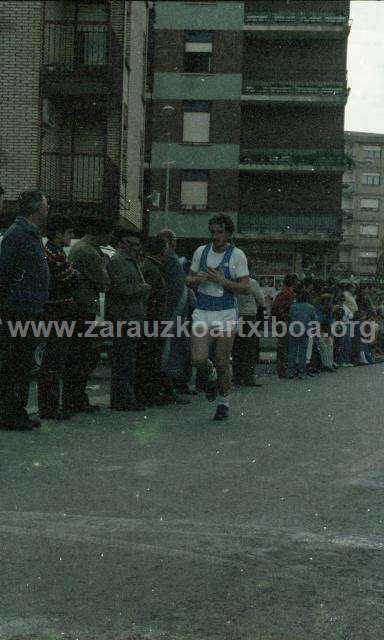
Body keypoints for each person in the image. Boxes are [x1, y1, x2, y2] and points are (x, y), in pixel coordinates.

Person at [187, 214, 250, 421]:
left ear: (228, 234)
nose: (215, 236)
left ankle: (224, 402)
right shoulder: (200, 251)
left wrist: (222, 280)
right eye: (213, 232)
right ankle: (211, 375)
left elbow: (245, 288)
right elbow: (188, 279)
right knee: (198, 360)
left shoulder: (237, 255)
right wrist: (197, 279)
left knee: (222, 360)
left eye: (220, 232)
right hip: (203, 311)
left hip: (225, 313)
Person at [0, 189, 49, 430]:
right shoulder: (17, 234)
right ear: (37, 209)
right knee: (15, 365)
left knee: (23, 364)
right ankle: (11, 415)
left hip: (29, 310)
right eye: (45, 206)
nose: (47, 211)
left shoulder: (31, 234)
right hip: (18, 311)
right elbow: (4, 273)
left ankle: (16, 412)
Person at [62, 218, 111, 414]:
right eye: (109, 234)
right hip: (84, 309)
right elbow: (105, 283)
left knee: (78, 357)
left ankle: (75, 399)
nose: (110, 238)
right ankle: (76, 400)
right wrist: (105, 266)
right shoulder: (89, 252)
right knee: (84, 357)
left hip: (78, 307)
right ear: (100, 233)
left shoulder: (80, 247)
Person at [37, 214, 78, 420]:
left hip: (56, 311)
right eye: (69, 232)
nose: (72, 236)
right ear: (58, 234)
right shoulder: (54, 254)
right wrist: (73, 274)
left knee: (53, 360)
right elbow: (70, 277)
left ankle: (50, 405)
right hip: (58, 312)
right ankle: (50, 407)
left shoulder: (55, 252)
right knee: (54, 360)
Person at [105, 228, 150, 411]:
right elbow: (119, 288)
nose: (138, 248)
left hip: (132, 317)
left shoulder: (129, 261)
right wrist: (142, 288)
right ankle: (123, 400)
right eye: (135, 244)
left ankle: (123, 398)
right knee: (124, 361)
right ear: (124, 243)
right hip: (124, 318)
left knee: (127, 360)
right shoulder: (118, 261)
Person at [157, 229, 191, 404]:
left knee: (174, 351)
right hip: (172, 315)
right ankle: (168, 390)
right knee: (169, 353)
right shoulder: (169, 258)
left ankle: (172, 388)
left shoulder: (170, 259)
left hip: (176, 314)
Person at [135, 236, 170, 405]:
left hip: (151, 321)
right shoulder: (152, 269)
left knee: (148, 358)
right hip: (152, 322)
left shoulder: (150, 267)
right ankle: (148, 395)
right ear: (162, 250)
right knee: (150, 359)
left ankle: (148, 393)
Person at [232, 276, 265, 386]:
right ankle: (248, 378)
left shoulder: (231, 282)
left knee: (237, 348)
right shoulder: (252, 282)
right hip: (250, 317)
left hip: (236, 317)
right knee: (250, 348)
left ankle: (236, 377)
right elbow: (261, 300)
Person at [287, 289, 317, 379]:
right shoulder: (310, 307)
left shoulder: (293, 306)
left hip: (294, 330)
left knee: (292, 352)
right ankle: (301, 372)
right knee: (302, 353)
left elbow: (290, 316)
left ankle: (291, 372)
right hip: (304, 331)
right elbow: (314, 319)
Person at [271, 274, 296, 378]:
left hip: (280, 323)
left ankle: (282, 369)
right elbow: (279, 308)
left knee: (283, 346)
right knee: (285, 347)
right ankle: (284, 370)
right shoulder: (288, 294)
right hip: (285, 323)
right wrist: (286, 319)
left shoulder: (282, 293)